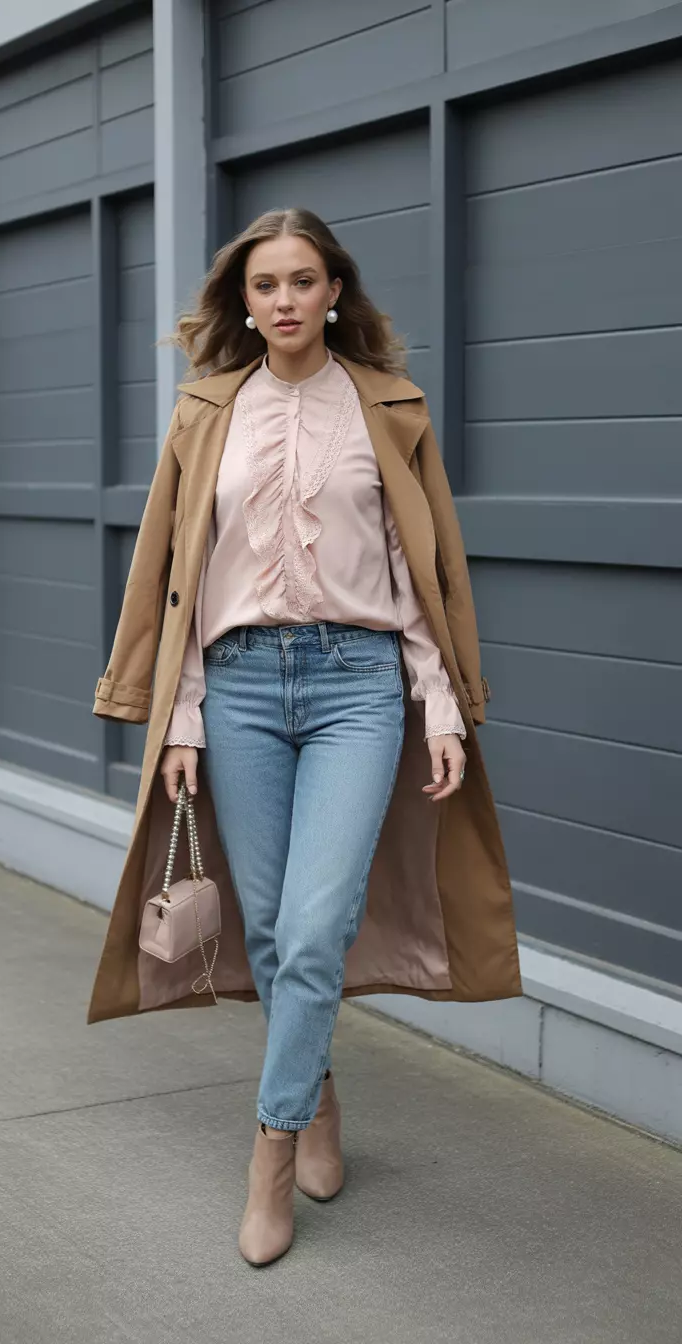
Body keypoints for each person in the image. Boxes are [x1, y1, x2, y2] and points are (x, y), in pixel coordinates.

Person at [88, 208, 520, 1269]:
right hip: (235, 687)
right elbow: (184, 577)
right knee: (276, 927)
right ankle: (317, 1094)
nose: (285, 300)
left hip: (358, 687)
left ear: (336, 292)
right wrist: (179, 713)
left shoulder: (389, 409)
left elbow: (419, 570)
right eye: (267, 283)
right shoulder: (206, 412)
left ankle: (271, 1147)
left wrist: (441, 704)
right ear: (245, 299)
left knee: (319, 923)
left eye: (305, 281)